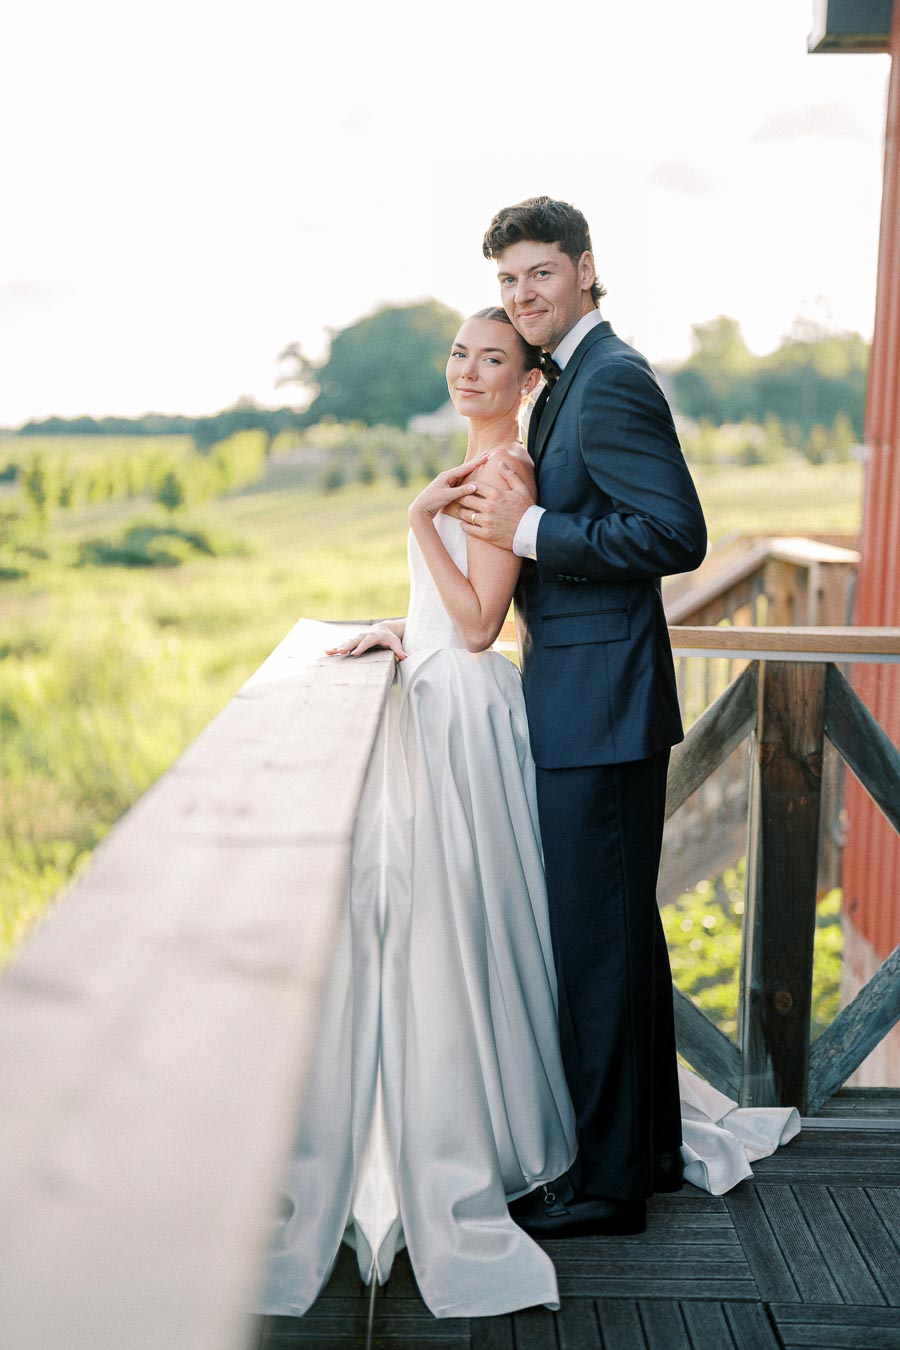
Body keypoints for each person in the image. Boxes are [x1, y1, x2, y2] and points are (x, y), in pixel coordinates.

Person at [255, 302, 799, 1323]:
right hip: (440, 692)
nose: (469, 370)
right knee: (457, 926)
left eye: (492, 358)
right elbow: (442, 611)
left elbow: (476, 627)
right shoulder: (484, 458)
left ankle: (512, 1136)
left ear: (525, 377)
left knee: (476, 926)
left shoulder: (505, 474)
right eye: (460, 353)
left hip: (463, 709)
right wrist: (397, 620)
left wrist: (419, 521)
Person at [444, 196, 709, 1238]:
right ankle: (647, 1153)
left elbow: (675, 533)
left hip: (599, 708)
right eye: (511, 281)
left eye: (540, 275)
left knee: (595, 951)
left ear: (586, 269)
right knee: (621, 942)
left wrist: (538, 526)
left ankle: (605, 1192)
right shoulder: (575, 381)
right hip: (589, 703)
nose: (524, 296)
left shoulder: (611, 379)